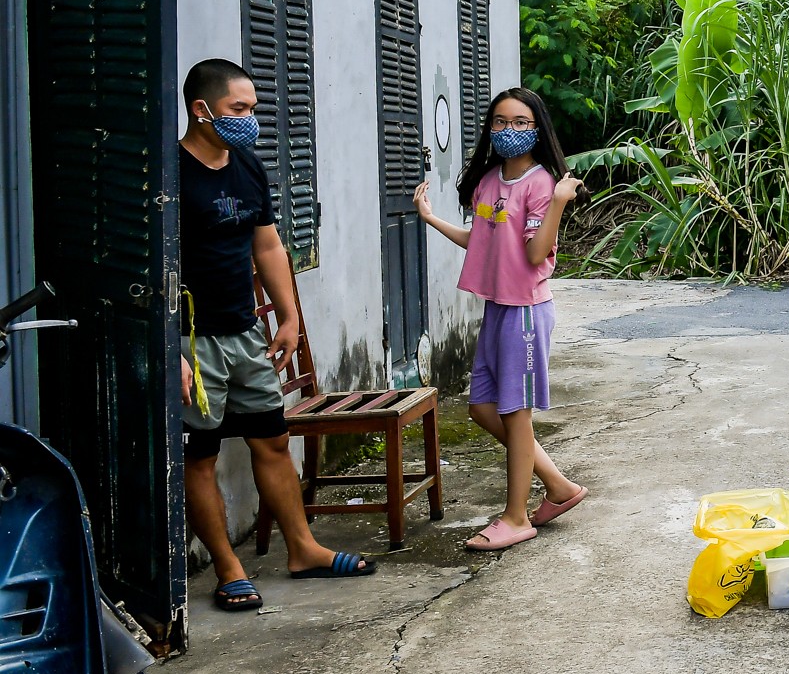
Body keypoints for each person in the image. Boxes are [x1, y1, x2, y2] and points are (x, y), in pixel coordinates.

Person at [177, 59, 376, 612]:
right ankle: (229, 567)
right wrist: (170, 348)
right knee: (200, 456)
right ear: (203, 110)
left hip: (245, 333)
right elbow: (148, 270)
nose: (249, 119)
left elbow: (267, 246)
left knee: (271, 439)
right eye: (239, 109)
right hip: (194, 341)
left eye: (252, 110)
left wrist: (287, 316)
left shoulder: (246, 166)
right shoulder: (169, 176)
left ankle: (303, 548)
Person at [415, 87, 586, 551]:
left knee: (515, 411)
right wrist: (431, 219)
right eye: (501, 122)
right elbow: (482, 239)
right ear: (491, 128)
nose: (509, 131)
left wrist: (557, 204)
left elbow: (533, 253)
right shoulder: (490, 181)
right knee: (483, 409)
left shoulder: (541, 185)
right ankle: (559, 486)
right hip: (497, 307)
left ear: (537, 129)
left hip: (527, 312)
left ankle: (516, 517)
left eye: (521, 123)